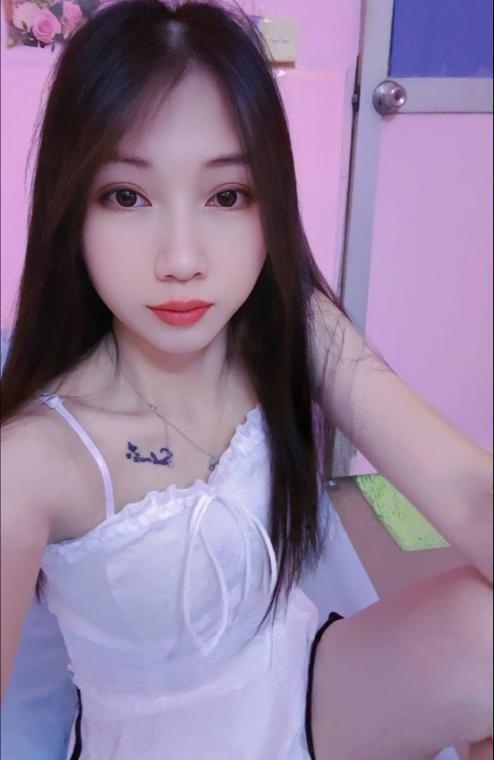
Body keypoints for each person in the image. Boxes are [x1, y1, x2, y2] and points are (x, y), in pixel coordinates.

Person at [1, 2, 492, 759]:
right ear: (72, 210)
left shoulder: (289, 328)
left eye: (227, 196)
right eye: (126, 196)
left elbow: (469, 495)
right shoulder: (34, 461)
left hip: (300, 683)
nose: (182, 259)